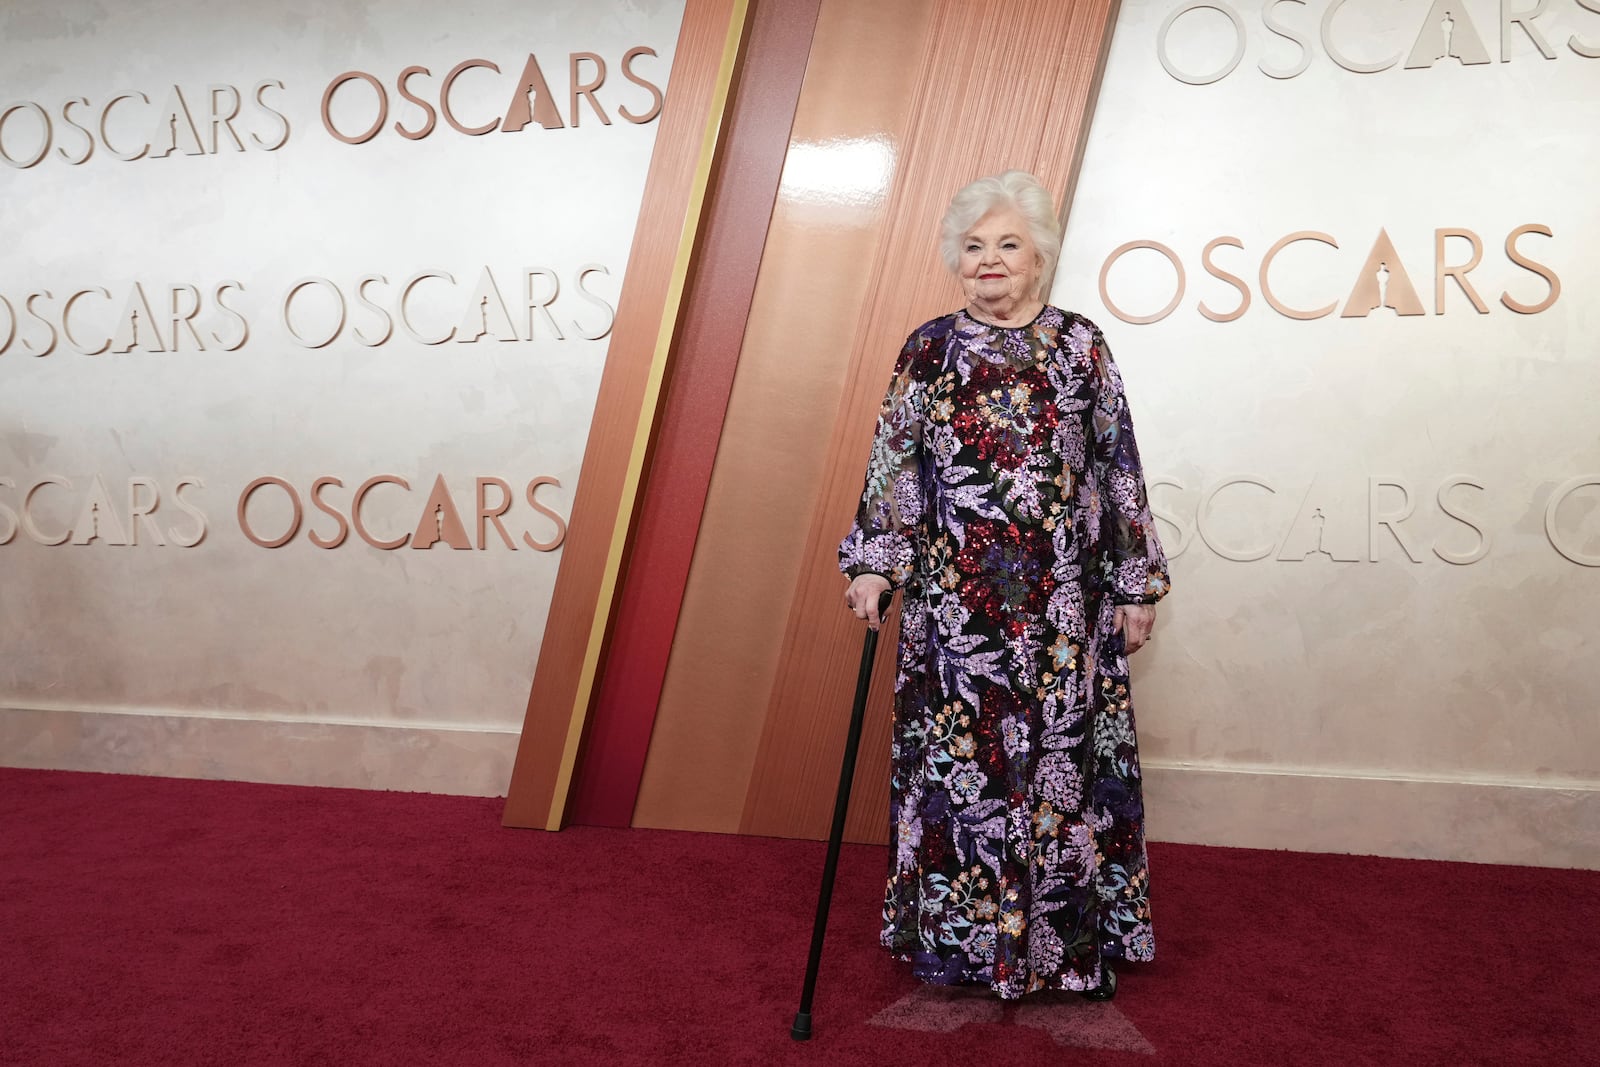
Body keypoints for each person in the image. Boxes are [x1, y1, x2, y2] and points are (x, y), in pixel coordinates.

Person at [838, 170, 1169, 1001]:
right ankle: (960, 943)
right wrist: (876, 561)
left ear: (1040, 258)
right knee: (963, 774)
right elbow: (895, 464)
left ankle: (1058, 947)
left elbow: (1117, 467)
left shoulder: (1082, 345)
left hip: (1063, 610)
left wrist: (1134, 583)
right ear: (957, 258)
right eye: (974, 247)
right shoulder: (929, 349)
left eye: (1008, 245)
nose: (989, 261)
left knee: (1061, 770)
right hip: (956, 615)